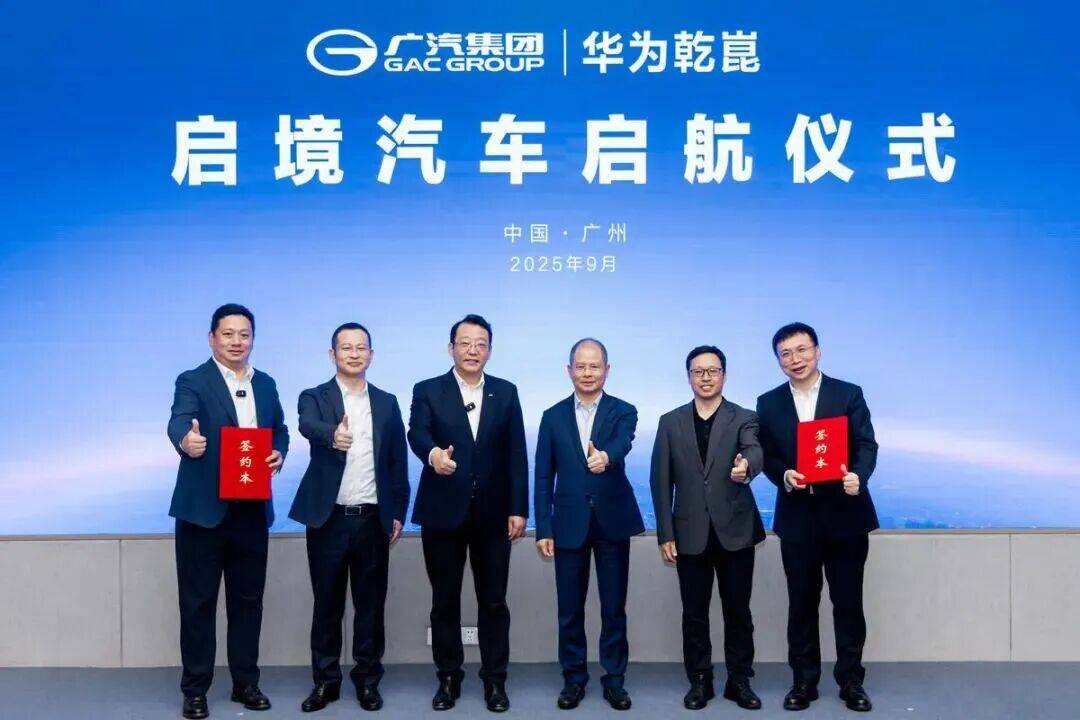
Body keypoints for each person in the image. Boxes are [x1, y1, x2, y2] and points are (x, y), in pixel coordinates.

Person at [166, 303, 289, 720]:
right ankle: (195, 690)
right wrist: (186, 442)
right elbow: (179, 421)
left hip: (251, 511)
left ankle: (245, 684)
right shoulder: (193, 380)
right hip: (203, 512)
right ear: (212, 338)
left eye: (244, 334)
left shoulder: (266, 384)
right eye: (228, 334)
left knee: (248, 603)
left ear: (252, 339)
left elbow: (280, 430)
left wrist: (278, 452)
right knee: (197, 604)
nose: (237, 341)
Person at [407, 314, 528, 713]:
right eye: (465, 342)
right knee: (445, 600)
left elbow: (516, 453)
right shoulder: (428, 389)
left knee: (493, 601)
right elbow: (417, 433)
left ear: (489, 350)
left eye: (481, 344)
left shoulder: (505, 392)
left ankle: (495, 680)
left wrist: (518, 508)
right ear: (451, 348)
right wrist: (433, 455)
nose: (473, 350)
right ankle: (448, 678)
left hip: (493, 514)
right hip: (443, 511)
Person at [756, 322, 878, 712]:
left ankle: (851, 682)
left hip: (846, 514)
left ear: (817, 351)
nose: (795, 359)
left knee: (848, 603)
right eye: (786, 354)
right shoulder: (768, 403)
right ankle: (803, 683)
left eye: (802, 350)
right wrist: (783, 474)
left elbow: (866, 444)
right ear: (778, 361)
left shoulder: (848, 393)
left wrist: (859, 475)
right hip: (798, 517)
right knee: (802, 604)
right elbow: (767, 455)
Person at [289, 322, 410, 713]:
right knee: (327, 605)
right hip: (328, 520)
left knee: (370, 607)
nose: (354, 354)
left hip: (373, 519)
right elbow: (307, 424)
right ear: (333, 355)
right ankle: (325, 682)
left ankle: (368, 682)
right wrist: (332, 435)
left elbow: (396, 461)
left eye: (361, 348)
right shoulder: (315, 396)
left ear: (371, 355)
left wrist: (397, 512)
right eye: (346, 348)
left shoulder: (387, 402)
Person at [650, 345, 766, 711]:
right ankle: (700, 680)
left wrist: (746, 467)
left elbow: (754, 450)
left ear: (724, 375)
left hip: (735, 530)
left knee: (738, 611)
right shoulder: (670, 422)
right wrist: (666, 533)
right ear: (688, 377)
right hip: (688, 533)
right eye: (698, 371)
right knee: (694, 613)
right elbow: (660, 481)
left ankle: (739, 680)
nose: (705, 377)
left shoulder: (744, 417)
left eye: (713, 370)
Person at [534, 339, 644, 711]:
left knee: (613, 608)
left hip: (611, 521)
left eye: (594, 366)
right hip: (567, 523)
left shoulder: (624, 410)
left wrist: (607, 457)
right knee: (570, 609)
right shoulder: (551, 416)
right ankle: (573, 680)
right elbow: (543, 476)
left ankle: (614, 680)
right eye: (580, 366)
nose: (587, 373)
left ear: (606, 370)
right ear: (569, 370)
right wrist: (544, 527)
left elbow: (622, 442)